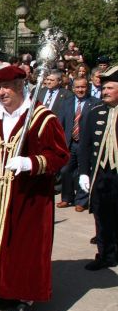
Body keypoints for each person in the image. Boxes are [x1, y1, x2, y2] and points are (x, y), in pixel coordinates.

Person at [0, 65, 69, 311]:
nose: (1, 92)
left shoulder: (43, 118)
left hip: (31, 198)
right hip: (0, 198)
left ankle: (26, 298)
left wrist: (31, 163)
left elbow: (59, 156)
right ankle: (5, 291)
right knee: (1, 245)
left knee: (26, 249)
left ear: (21, 87)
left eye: (7, 87)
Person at [79, 65, 118, 270]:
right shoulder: (95, 112)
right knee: (102, 216)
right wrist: (84, 173)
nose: (105, 92)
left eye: (110, 88)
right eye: (103, 88)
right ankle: (105, 255)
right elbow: (84, 145)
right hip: (101, 173)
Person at [57, 76, 98, 212]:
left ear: (88, 87)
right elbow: (60, 123)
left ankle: (81, 200)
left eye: (83, 87)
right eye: (77, 87)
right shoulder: (67, 102)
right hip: (70, 143)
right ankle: (67, 198)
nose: (80, 90)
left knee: (83, 171)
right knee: (65, 170)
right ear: (73, 88)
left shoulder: (95, 103)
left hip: (86, 144)